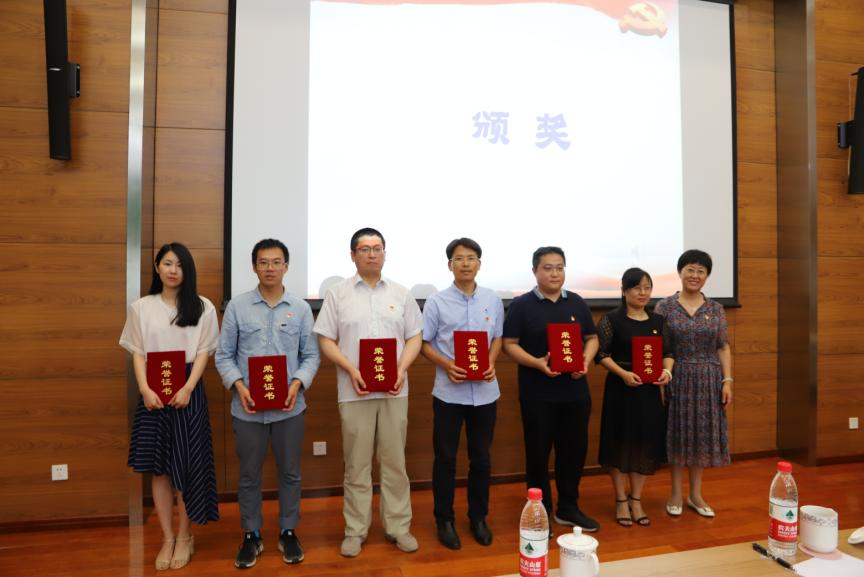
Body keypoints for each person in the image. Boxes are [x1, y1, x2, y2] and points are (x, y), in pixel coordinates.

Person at [313, 227, 423, 557]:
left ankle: (398, 526)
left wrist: (401, 369)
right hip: (354, 391)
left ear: (385, 253)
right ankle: (355, 530)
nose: (372, 254)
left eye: (377, 248)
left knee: (394, 463)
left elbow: (415, 337)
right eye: (364, 249)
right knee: (357, 465)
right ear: (353, 255)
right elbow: (325, 339)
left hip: (394, 391)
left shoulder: (402, 294)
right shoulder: (337, 294)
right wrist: (351, 369)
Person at [215, 239, 320, 568]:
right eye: (263, 262)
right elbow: (223, 355)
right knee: (248, 475)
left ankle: (288, 530)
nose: (270, 268)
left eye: (276, 262)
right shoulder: (237, 307)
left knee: (290, 473)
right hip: (247, 409)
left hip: (290, 407)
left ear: (286, 266)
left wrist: (297, 383)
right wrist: (239, 386)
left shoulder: (300, 308)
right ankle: (252, 534)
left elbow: (311, 355)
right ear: (254, 267)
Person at [119, 242, 219, 571]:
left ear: (188, 270)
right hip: (153, 390)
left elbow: (204, 351)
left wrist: (189, 387)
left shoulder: (202, 306)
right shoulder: (141, 307)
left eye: (180, 265)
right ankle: (167, 537)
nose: (173, 270)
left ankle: (186, 536)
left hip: (189, 388)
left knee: (188, 465)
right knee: (160, 468)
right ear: (157, 267)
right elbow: (138, 352)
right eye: (167, 263)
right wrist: (145, 389)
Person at [502, 246, 600, 532]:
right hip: (537, 393)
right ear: (535, 271)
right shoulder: (521, 305)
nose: (554, 273)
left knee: (573, 451)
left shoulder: (577, 303)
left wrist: (585, 360)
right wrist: (536, 363)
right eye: (547, 268)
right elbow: (509, 344)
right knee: (537, 453)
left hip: (575, 393)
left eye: (559, 267)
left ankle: (568, 507)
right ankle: (540, 510)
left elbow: (592, 338)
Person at [421, 238, 504, 550]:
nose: (465, 263)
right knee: (445, 459)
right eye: (459, 258)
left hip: (485, 394)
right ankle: (444, 520)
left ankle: (478, 517)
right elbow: (424, 343)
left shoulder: (492, 299)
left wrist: (491, 361)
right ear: (450, 265)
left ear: (479, 263)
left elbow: (497, 337)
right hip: (449, 394)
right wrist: (447, 365)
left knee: (481, 458)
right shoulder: (437, 302)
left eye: (471, 258)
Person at [654, 249, 732, 518]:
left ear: (707, 276)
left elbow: (723, 346)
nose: (695, 275)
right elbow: (659, 346)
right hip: (677, 376)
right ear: (680, 272)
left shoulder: (715, 309)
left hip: (709, 380)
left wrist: (727, 380)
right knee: (678, 435)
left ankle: (696, 495)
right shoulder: (665, 307)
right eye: (690, 269)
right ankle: (675, 494)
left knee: (700, 437)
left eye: (701, 271)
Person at [595, 268, 673, 528]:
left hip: (649, 392)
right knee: (619, 442)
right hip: (621, 389)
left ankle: (636, 499)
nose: (643, 292)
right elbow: (601, 354)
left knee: (644, 443)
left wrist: (666, 372)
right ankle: (620, 499)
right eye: (637, 287)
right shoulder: (612, 319)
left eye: (647, 287)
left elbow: (669, 352)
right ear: (624, 290)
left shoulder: (658, 321)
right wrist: (623, 374)